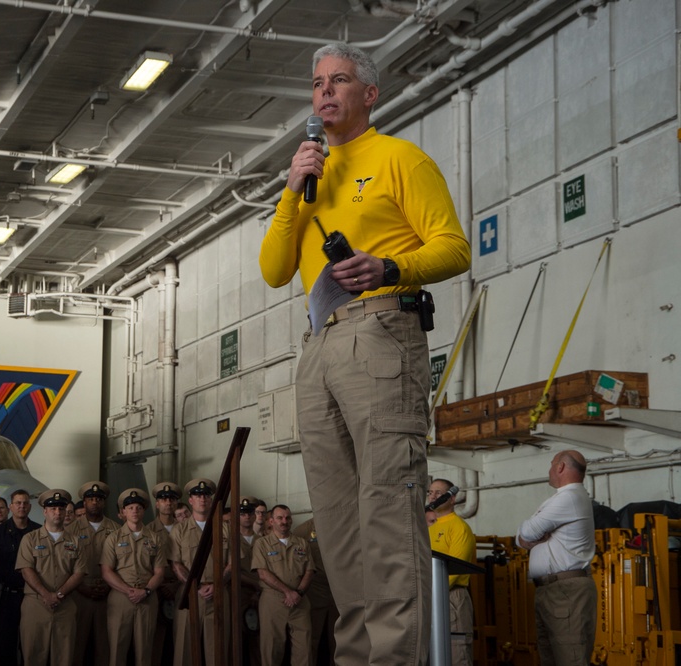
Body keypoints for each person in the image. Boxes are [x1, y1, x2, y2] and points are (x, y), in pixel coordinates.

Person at [258, 41, 471, 665]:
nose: (325, 92)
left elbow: (455, 249)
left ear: (369, 94)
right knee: (339, 525)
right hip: (318, 344)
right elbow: (274, 270)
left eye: (340, 80)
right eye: (318, 82)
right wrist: (292, 189)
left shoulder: (401, 158)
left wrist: (390, 266)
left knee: (386, 512)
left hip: (381, 332)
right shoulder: (308, 176)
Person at [517, 450, 596, 666]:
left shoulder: (569, 498)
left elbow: (527, 532)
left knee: (570, 659)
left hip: (565, 592)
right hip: (553, 590)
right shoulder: (564, 498)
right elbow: (522, 537)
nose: (549, 470)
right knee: (551, 659)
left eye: (552, 465)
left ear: (560, 467)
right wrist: (527, 535)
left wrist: (529, 535)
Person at [16, 489, 86, 666]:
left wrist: (59, 594)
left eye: (61, 509)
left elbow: (79, 573)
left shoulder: (76, 542)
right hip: (35, 605)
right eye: (53, 509)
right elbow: (26, 570)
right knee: (33, 655)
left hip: (65, 605)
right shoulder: (30, 539)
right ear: (44, 512)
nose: (57, 512)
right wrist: (46, 594)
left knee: (64, 657)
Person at [100, 489, 167, 666]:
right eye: (130, 507)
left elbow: (160, 571)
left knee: (145, 650)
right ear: (123, 512)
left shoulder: (155, 538)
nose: (135, 511)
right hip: (121, 597)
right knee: (117, 649)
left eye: (138, 507)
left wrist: (145, 591)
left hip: (147, 597)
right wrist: (129, 591)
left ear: (144, 511)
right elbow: (106, 571)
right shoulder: (113, 538)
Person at [169, 478, 230, 666]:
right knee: (184, 650)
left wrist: (216, 584)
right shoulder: (179, 530)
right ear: (190, 500)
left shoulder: (225, 528)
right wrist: (195, 587)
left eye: (206, 495)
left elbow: (231, 564)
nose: (202, 498)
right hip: (189, 595)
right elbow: (176, 564)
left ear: (211, 500)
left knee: (218, 651)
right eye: (197, 495)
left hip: (218, 593)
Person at [0, 488, 40, 663]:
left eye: (25, 503)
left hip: (31, 595)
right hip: (5, 597)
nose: (22, 506)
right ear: (11, 507)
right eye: (18, 503)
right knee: (4, 645)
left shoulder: (38, 532)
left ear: (29, 506)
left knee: (32, 644)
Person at [65, 481, 119, 666]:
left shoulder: (116, 529)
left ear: (104, 502)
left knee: (105, 648)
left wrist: (109, 586)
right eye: (90, 499)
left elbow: (121, 565)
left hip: (108, 594)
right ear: (84, 502)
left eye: (98, 499)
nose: (94, 502)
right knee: (76, 646)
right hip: (79, 593)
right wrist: (80, 587)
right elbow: (65, 565)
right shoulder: (70, 530)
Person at [252, 505, 314, 666]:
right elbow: (262, 573)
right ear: (271, 521)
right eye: (280, 518)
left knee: (304, 648)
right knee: (271, 648)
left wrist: (298, 593)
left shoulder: (302, 543)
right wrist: (288, 592)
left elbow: (309, 571)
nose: (284, 521)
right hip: (273, 601)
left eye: (287, 518)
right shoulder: (262, 544)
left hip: (299, 600)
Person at [427, 479, 476, 666]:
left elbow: (453, 571)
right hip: (427, 597)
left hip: (450, 597)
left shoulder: (459, 528)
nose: (433, 496)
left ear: (452, 498)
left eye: (439, 493)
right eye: (430, 492)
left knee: (455, 654)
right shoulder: (425, 527)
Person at [292, 517, 336, 665]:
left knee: (341, 637)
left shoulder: (342, 522)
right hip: (316, 589)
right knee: (312, 637)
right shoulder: (303, 530)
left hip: (340, 589)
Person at [148, 481, 181, 666]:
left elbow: (191, 562)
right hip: (156, 590)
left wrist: (177, 584)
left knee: (180, 642)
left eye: (172, 499)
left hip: (180, 588)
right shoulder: (147, 531)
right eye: (163, 499)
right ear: (157, 504)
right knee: (155, 642)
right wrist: (159, 585)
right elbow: (143, 564)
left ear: (176, 503)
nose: (168, 503)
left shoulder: (185, 529)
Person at [236, 497, 262, 666]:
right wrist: (255, 586)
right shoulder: (231, 539)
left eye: (250, 513)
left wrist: (259, 591)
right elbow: (229, 570)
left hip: (261, 595)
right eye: (243, 513)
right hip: (237, 594)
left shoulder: (264, 541)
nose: (247, 516)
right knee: (235, 642)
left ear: (255, 516)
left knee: (259, 642)